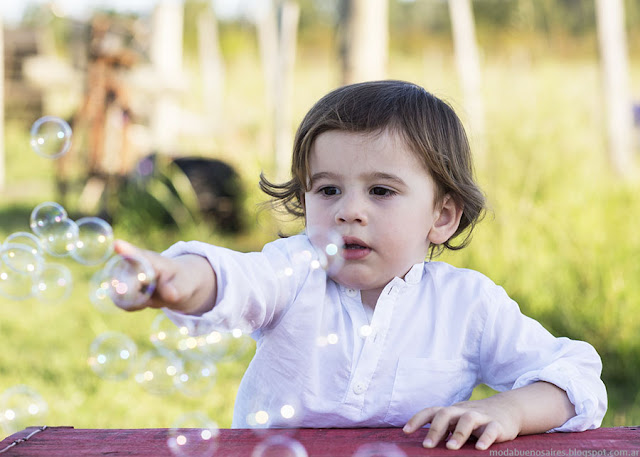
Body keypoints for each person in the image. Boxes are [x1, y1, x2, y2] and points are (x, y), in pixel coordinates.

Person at [114, 80, 607, 450]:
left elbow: (577, 376)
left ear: (441, 216)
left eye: (381, 191)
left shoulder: (466, 303)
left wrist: (510, 408)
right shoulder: (294, 272)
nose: (349, 210)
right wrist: (181, 278)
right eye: (328, 189)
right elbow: (238, 282)